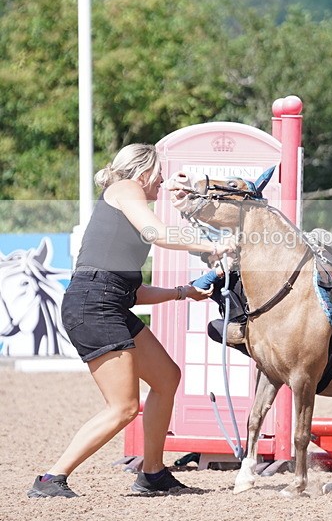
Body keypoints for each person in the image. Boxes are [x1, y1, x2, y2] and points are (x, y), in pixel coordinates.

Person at [27, 144, 232, 499]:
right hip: (95, 306)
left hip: (108, 302)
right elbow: (157, 233)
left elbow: (132, 291)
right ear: (144, 173)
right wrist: (211, 245)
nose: (162, 182)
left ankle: (152, 473)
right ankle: (50, 479)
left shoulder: (125, 206)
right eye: (159, 175)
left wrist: (182, 292)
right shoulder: (125, 188)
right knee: (123, 408)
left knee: (167, 377)